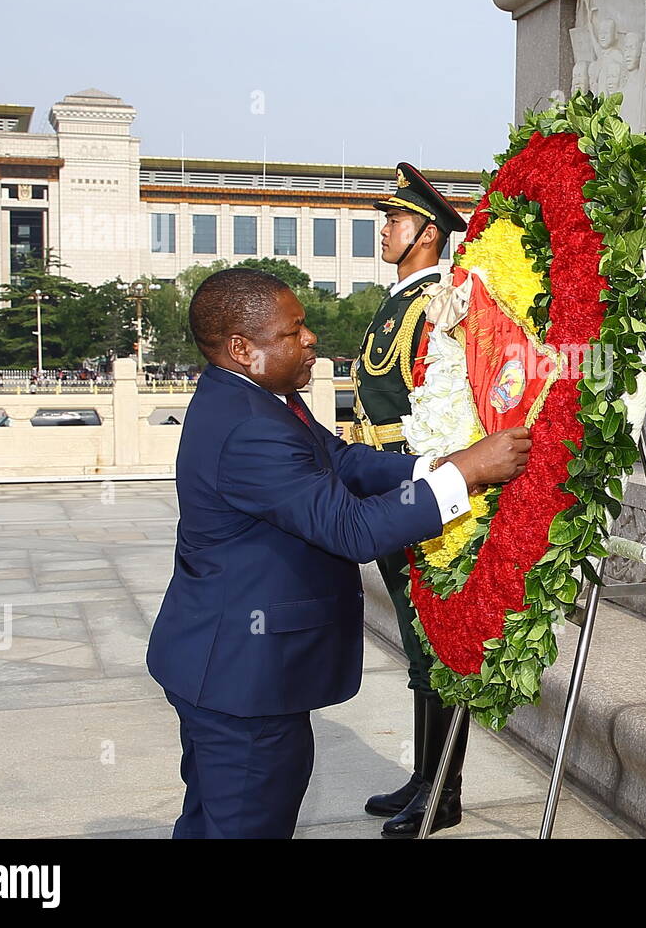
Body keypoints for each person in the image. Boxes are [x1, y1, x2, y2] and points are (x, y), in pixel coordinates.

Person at [146, 267, 530, 838]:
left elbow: (343, 461)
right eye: (292, 331)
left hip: (228, 668)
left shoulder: (258, 398)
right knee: (246, 822)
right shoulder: (249, 427)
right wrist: (468, 476)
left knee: (214, 819)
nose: (309, 340)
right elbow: (351, 529)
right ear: (240, 348)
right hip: (239, 678)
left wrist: (440, 465)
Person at [353, 162, 472, 837]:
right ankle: (425, 778)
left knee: (436, 644)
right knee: (416, 641)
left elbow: (445, 408)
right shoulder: (400, 299)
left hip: (420, 491)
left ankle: (443, 793)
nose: (386, 230)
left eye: (395, 220)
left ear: (428, 233)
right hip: (390, 487)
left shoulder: (437, 305)